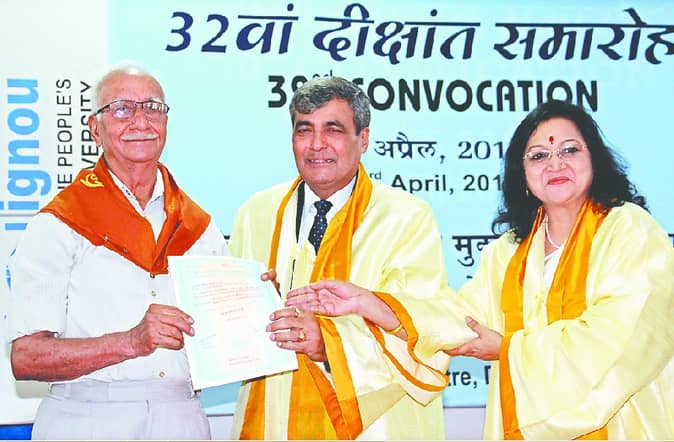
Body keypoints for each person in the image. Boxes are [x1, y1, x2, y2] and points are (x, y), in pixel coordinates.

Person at [287, 100, 674, 440]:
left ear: (595, 160)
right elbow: (457, 320)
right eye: (538, 156)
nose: (555, 164)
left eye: (569, 150)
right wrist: (373, 304)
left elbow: (622, 340)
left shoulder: (631, 230)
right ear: (523, 175)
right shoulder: (509, 251)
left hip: (627, 425)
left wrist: (507, 349)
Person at [228, 76, 472, 440]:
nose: (316, 144)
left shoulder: (405, 218)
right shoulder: (257, 214)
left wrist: (328, 343)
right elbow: (230, 321)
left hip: (375, 428)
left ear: (364, 139)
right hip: (274, 421)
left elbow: (422, 326)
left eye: (333, 130)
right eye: (304, 130)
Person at [7, 64, 230, 440]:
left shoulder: (200, 229)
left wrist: (254, 309)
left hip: (182, 417)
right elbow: (27, 358)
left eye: (153, 107)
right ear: (95, 128)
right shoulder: (59, 223)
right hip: (86, 418)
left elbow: (221, 344)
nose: (141, 121)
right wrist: (130, 342)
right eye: (122, 109)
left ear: (166, 123)